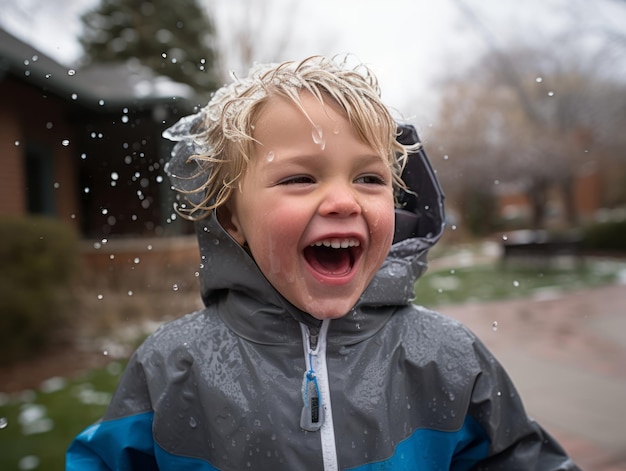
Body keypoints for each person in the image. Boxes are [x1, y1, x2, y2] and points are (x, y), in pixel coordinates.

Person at [66, 55, 580, 470]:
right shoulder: (172, 367)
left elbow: (517, 458)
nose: (343, 201)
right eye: (300, 179)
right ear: (232, 219)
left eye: (369, 178)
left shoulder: (446, 358)